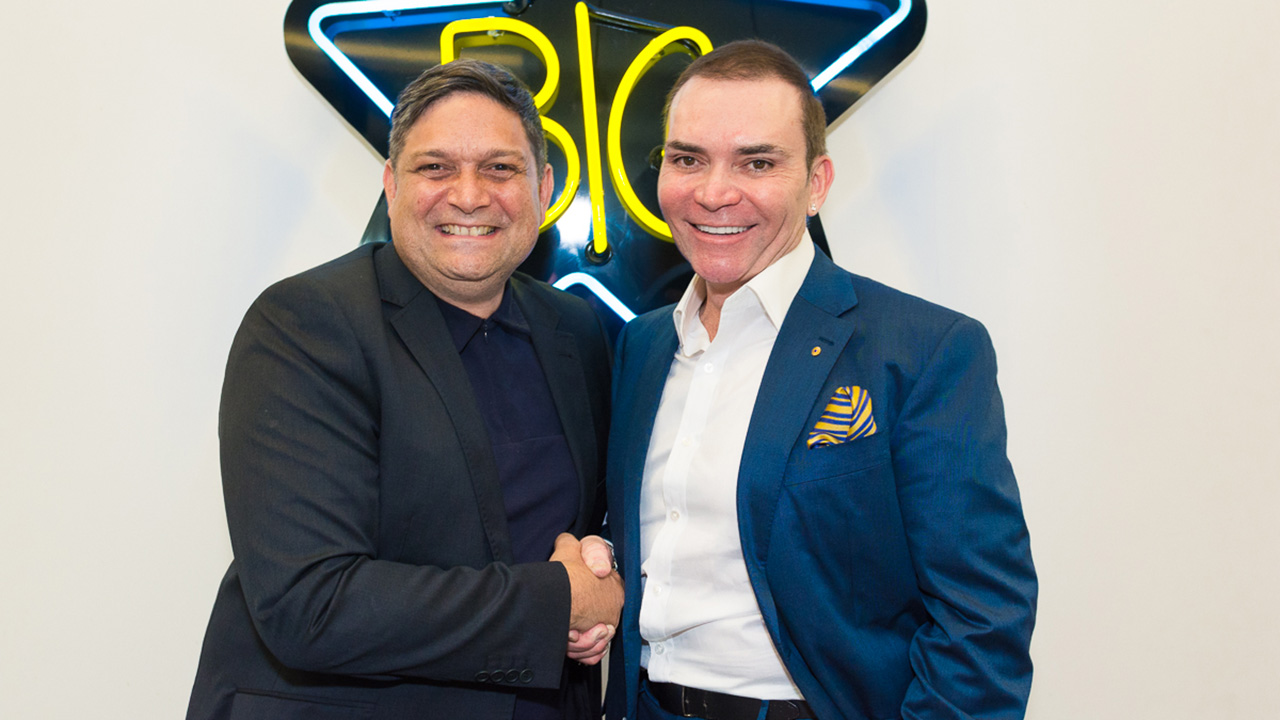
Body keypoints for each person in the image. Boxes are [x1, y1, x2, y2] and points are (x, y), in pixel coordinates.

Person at [605, 40, 1037, 720]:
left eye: (757, 162)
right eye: (688, 159)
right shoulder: (644, 344)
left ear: (816, 183)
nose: (714, 192)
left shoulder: (923, 350)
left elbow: (982, 618)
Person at [186, 59, 622, 720]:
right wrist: (558, 603)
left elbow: (588, 520)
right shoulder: (307, 325)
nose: (469, 196)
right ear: (392, 184)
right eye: (435, 167)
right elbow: (311, 604)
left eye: (500, 168)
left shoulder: (575, 329)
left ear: (543, 187)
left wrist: (600, 559)